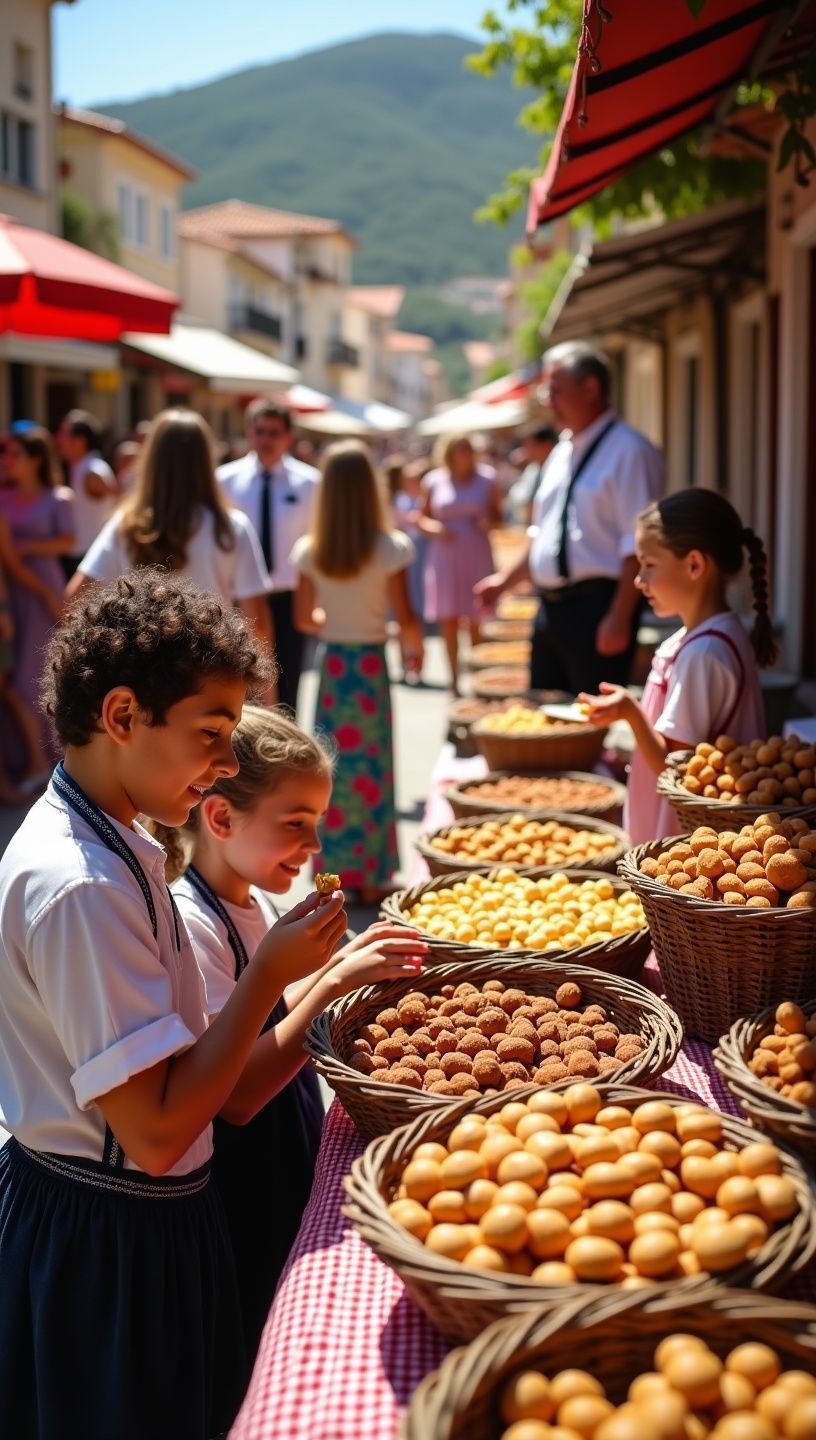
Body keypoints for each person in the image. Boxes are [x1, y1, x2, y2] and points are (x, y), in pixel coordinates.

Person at [0, 570, 349, 1440]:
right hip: (105, 1239)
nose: (227, 765)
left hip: (143, 1226)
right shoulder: (81, 887)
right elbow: (155, 1136)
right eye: (211, 735)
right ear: (122, 717)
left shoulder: (124, 840)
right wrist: (270, 974)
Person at [166, 705, 426, 1357]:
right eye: (295, 825)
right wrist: (334, 985)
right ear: (220, 817)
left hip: (286, 1153)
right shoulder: (194, 927)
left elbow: (269, 1015)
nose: (314, 849)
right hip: (244, 1185)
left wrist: (341, 964)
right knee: (260, 1319)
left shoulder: (254, 901)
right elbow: (238, 1093)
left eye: (317, 826)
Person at [579, 489, 773, 844]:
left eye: (649, 564)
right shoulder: (704, 638)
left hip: (684, 844)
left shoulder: (703, 653)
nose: (639, 580)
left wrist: (631, 712)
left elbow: (676, 769)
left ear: (695, 565)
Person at [475, 342, 663, 696]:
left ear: (590, 388)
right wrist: (504, 581)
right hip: (551, 609)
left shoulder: (630, 451)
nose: (548, 400)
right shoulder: (563, 450)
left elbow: (637, 544)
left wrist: (620, 616)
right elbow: (544, 533)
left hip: (599, 608)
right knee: (546, 715)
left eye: (556, 390)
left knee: (591, 724)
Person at [291, 440, 423, 902]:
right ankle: (373, 873)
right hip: (369, 665)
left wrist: (340, 618)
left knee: (331, 769)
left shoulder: (311, 551)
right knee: (373, 768)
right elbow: (406, 614)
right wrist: (411, 644)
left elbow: (305, 618)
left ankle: (332, 874)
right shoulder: (391, 548)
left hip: (335, 665)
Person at [67, 409, 276, 696]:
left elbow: (75, 599)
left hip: (141, 679)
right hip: (210, 676)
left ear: (151, 459)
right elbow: (258, 622)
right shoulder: (231, 528)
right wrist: (266, 696)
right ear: (206, 460)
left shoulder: (125, 525)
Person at [218, 400, 318, 712]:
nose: (265, 440)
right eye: (259, 431)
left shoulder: (310, 483)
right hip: (239, 600)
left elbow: (316, 544)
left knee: (287, 689)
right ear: (249, 432)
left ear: (288, 437)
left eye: (274, 432)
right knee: (238, 688)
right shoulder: (224, 481)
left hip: (288, 598)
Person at [0, 426, 75, 784]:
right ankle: (25, 761)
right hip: (11, 591)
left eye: (16, 455)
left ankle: (46, 763)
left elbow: (69, 541)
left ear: (36, 460)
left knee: (36, 676)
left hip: (43, 587)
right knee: (14, 680)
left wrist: (28, 549)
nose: (8, 461)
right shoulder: (3, 497)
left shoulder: (59, 497)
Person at [419, 432, 503, 695]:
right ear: (449, 453)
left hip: (476, 553)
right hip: (445, 556)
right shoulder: (433, 480)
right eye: (460, 449)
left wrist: (487, 523)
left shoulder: (488, 479)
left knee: (476, 618)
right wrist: (436, 530)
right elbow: (421, 518)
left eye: (468, 449)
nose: (465, 454)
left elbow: (499, 518)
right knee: (449, 619)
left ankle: (478, 679)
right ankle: (454, 679)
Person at [55, 409, 118, 577]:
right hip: (82, 557)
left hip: (86, 559)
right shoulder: (82, 468)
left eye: (63, 433)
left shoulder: (92, 472)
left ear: (80, 441)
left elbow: (120, 499)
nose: (58, 438)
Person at [387, 455, 428, 660]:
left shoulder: (398, 499)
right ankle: (407, 654)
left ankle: (406, 655)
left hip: (406, 558)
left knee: (402, 610)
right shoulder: (395, 502)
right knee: (404, 608)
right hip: (402, 560)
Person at [507, 424, 559, 526]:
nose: (526, 451)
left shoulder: (561, 469)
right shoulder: (533, 469)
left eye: (530, 446)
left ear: (546, 446)